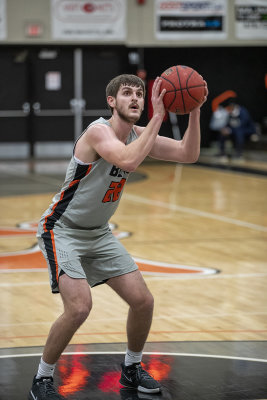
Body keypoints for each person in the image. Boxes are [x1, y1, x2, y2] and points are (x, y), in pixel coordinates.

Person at [28, 74, 208, 400]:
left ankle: (131, 369)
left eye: (140, 93)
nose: (136, 98)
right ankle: (42, 379)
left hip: (98, 233)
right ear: (112, 101)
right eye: (127, 93)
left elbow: (188, 153)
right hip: (62, 228)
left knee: (143, 301)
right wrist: (157, 117)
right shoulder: (99, 132)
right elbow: (127, 159)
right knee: (79, 307)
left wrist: (194, 108)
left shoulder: (140, 134)